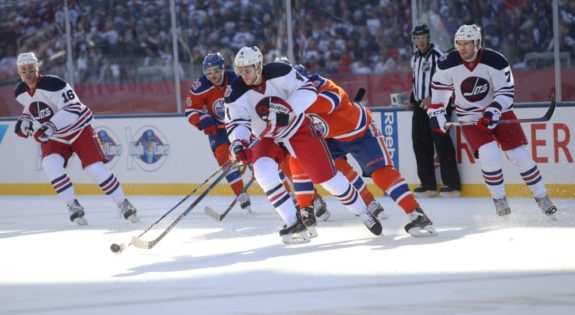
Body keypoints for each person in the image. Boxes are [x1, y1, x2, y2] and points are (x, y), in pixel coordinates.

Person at [225, 46, 382, 244]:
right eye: (240, 70)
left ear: (259, 66)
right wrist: (239, 143)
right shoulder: (234, 92)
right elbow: (236, 121)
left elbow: (308, 90)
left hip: (298, 129)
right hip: (268, 138)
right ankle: (293, 222)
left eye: (247, 69)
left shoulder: (279, 71)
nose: (243, 75)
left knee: (328, 179)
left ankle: (363, 212)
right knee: (262, 171)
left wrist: (288, 110)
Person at [428, 24, 557, 218]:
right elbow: (439, 93)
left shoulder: (496, 60)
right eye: (459, 43)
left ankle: (542, 196)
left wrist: (492, 112)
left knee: (519, 154)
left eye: (467, 44)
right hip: (469, 116)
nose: (462, 48)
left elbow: (505, 93)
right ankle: (499, 199)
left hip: (500, 110)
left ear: (477, 43)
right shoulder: (447, 62)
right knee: (489, 154)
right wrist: (437, 114)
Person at [292, 63, 436, 237]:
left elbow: (328, 104)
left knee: (381, 173)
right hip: (331, 138)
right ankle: (366, 202)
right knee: (326, 169)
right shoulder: (290, 100)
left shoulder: (323, 85)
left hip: (359, 130)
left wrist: (290, 108)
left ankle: (416, 213)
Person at [13, 52, 139, 225]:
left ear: (37, 68)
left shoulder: (54, 84)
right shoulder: (19, 91)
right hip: (56, 136)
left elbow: (73, 108)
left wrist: (49, 126)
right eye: (23, 70)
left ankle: (123, 203)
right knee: (50, 164)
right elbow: (31, 107)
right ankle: (73, 205)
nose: (27, 73)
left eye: (30, 68)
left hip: (78, 129)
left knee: (94, 169)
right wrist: (25, 120)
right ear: (19, 72)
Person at [184, 52, 251, 212]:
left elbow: (252, 97)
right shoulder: (200, 86)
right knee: (223, 157)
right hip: (218, 129)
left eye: (215, 71)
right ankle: (241, 193)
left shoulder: (236, 78)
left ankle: (279, 188)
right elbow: (190, 110)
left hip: (241, 123)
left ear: (222, 68)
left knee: (255, 154)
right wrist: (201, 119)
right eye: (208, 73)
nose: (212, 76)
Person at [409, 24, 461, 198]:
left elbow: (449, 79)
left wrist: (433, 96)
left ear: (428, 37)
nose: (420, 40)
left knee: (442, 143)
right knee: (420, 144)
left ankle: (452, 185)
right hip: (419, 108)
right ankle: (428, 184)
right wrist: (412, 98)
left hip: (438, 106)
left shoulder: (438, 55)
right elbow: (416, 81)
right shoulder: (414, 57)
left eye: (423, 37)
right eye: (417, 38)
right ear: (414, 40)